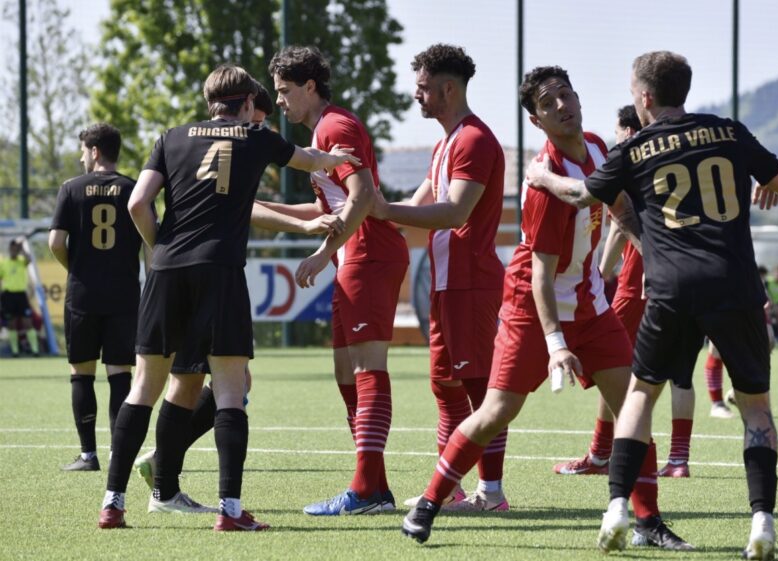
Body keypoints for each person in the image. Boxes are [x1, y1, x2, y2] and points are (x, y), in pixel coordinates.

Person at [401, 65, 691, 552]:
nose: (562, 105)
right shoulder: (543, 182)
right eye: (547, 104)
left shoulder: (598, 148)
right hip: (531, 310)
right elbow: (541, 276)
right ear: (537, 122)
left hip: (590, 306)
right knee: (497, 411)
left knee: (632, 407)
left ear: (578, 97)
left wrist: (654, 258)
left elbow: (620, 208)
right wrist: (556, 344)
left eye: (565, 94)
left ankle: (648, 523)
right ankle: (429, 502)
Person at [524, 51, 778, 558]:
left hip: (671, 288)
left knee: (640, 395)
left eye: (633, 92)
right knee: (756, 407)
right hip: (735, 285)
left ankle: (616, 510)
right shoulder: (729, 132)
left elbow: (581, 195)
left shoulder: (636, 148)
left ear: (645, 97)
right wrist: (762, 181)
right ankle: (762, 522)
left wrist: (542, 178)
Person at [97, 64, 359, 531]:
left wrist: (160, 249)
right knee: (232, 391)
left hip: (165, 271)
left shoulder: (171, 136)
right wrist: (336, 157)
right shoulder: (255, 135)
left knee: (143, 388)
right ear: (247, 102)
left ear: (209, 101)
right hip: (219, 270)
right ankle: (231, 511)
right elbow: (310, 160)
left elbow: (137, 203)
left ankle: (112, 504)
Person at [266, 45, 410, 516]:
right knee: (346, 371)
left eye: (285, 91)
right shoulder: (324, 129)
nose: (279, 101)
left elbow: (362, 195)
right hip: (355, 253)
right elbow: (328, 205)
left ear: (310, 87)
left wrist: (324, 251)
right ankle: (376, 488)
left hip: (369, 254)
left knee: (367, 368)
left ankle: (365, 490)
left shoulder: (334, 127)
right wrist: (262, 209)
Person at [370, 44, 507, 511]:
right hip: (446, 283)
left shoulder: (474, 140)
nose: (416, 95)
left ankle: (491, 493)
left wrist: (381, 209)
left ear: (448, 89)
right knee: (446, 387)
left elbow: (455, 212)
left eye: (423, 87)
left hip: (471, 282)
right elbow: (415, 203)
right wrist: (364, 211)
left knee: (480, 390)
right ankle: (450, 489)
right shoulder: (446, 143)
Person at [553, 105, 641, 477]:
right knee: (675, 373)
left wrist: (601, 275)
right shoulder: (674, 153)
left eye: (617, 132)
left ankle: (603, 454)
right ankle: (677, 459)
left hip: (637, 282)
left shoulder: (625, 161)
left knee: (613, 369)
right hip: (680, 276)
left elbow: (618, 224)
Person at [48, 124, 139, 472]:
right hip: (123, 294)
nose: (80, 157)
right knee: (120, 373)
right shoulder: (134, 188)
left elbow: (56, 242)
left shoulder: (71, 188)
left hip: (83, 294)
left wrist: (76, 268)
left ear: (95, 151)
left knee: (82, 372)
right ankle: (119, 454)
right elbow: (151, 240)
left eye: (83, 150)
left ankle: (88, 455)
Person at [0, 238, 39, 357]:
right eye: (13, 248)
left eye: (16, 248)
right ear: (9, 249)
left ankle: (35, 350)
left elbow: (29, 260)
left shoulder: (22, 261)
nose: (14, 250)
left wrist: (22, 249)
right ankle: (15, 351)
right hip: (8, 295)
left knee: (28, 322)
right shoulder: (4, 263)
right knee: (11, 323)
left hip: (21, 295)